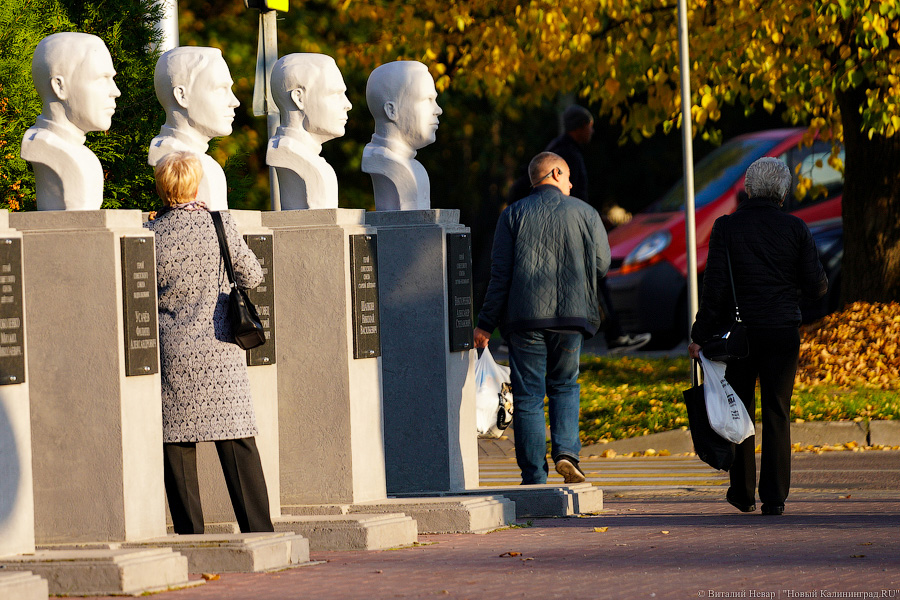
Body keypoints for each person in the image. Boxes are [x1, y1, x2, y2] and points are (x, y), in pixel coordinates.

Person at [689, 157, 828, 516]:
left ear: (748, 189)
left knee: (742, 410)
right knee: (777, 411)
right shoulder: (796, 228)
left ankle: (743, 492)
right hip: (782, 331)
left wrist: (699, 335)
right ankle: (775, 497)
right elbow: (817, 287)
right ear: (783, 191)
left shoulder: (726, 228)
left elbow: (715, 288)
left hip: (740, 335)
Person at [146, 151, 274, 534]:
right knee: (238, 444)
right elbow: (252, 276)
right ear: (196, 185)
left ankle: (191, 536)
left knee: (178, 447)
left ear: (162, 187)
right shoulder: (220, 224)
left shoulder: (150, 234)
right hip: (221, 352)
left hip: (174, 353)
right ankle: (259, 532)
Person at [474, 151, 611, 485]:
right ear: (554, 172)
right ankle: (567, 454)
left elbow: (500, 274)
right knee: (565, 385)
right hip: (572, 318)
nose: (571, 182)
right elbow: (603, 264)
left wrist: (485, 324)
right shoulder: (586, 213)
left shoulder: (513, 215)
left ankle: (534, 475)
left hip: (524, 321)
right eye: (566, 176)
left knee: (528, 395)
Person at [547, 106, 651, 354]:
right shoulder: (566, 153)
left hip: (571, 223)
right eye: (589, 126)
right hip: (573, 226)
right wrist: (590, 217)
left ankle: (610, 334)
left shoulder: (561, 150)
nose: (592, 131)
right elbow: (573, 193)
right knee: (596, 275)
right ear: (580, 127)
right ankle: (613, 335)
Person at [21, 32, 121, 210]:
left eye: (112, 79)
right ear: (59, 86)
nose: (115, 91)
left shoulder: (82, 155)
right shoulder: (49, 149)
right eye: (102, 79)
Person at [149, 46, 240, 211]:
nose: (234, 101)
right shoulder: (202, 167)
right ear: (181, 96)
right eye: (221, 89)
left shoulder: (206, 165)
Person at [267, 53, 353, 209]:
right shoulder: (294, 155)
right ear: (299, 98)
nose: (348, 104)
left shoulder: (316, 162)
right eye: (335, 94)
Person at [361, 61, 442, 210]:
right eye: (428, 100)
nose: (438, 110)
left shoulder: (416, 168)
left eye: (434, 100)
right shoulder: (384, 161)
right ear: (391, 110)